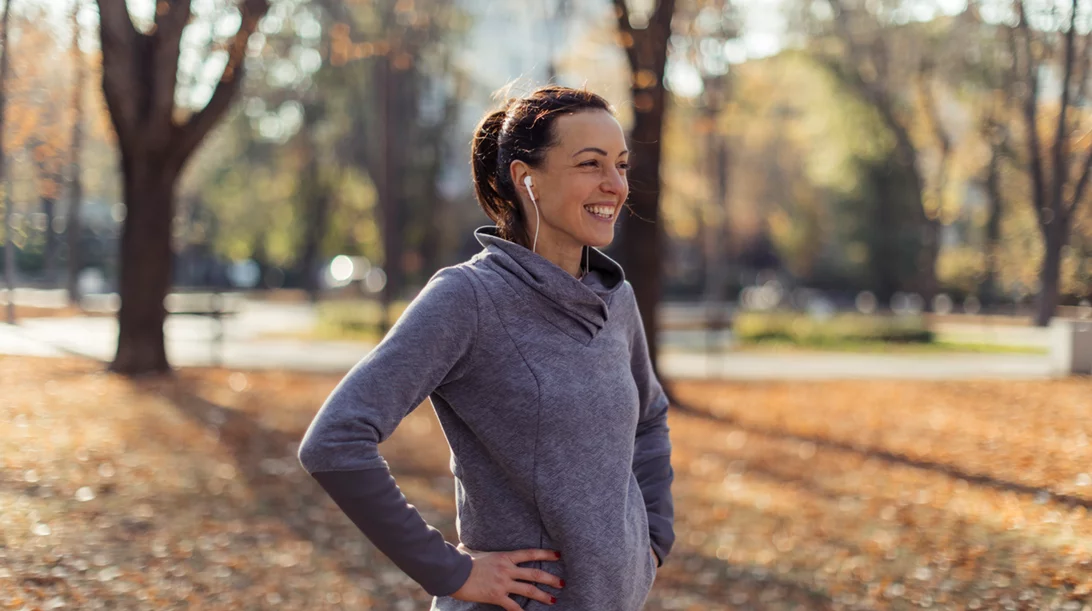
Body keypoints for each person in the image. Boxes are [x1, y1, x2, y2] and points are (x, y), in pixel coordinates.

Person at [297, 85, 675, 610]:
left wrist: (652, 539)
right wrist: (449, 571)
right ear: (527, 179)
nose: (614, 185)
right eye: (590, 164)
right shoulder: (468, 298)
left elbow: (650, 419)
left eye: (622, 165)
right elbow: (334, 440)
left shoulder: (616, 299)